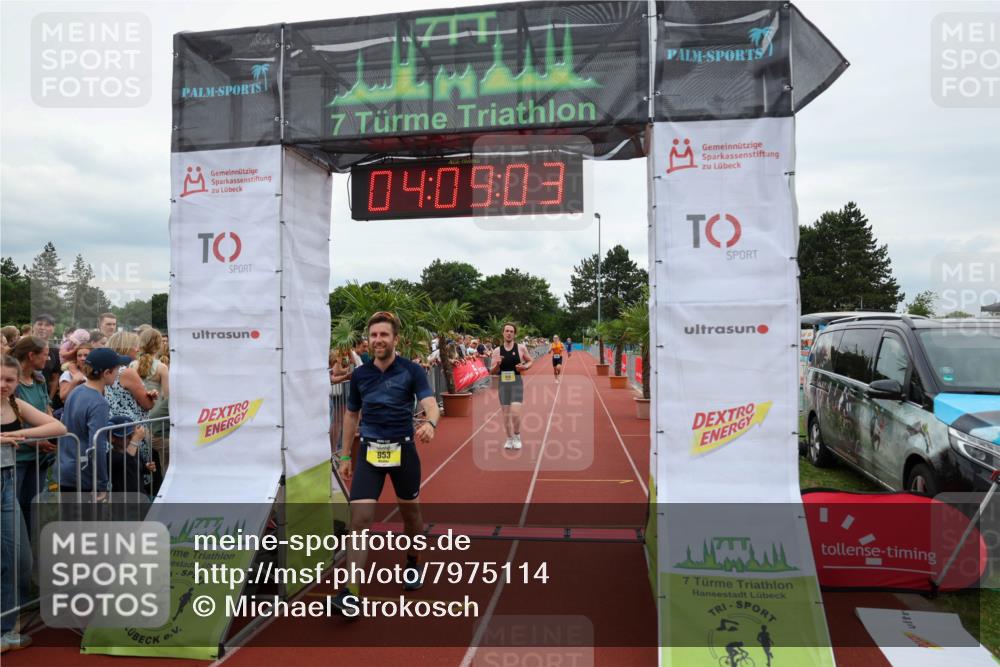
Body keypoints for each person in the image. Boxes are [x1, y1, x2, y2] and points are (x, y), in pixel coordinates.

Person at [332, 312, 440, 614]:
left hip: (403, 453)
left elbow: (430, 404)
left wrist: (430, 423)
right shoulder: (361, 375)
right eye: (374, 335)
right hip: (369, 453)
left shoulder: (412, 371)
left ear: (395, 339)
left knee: (411, 517)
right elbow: (351, 415)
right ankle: (351, 591)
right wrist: (344, 455)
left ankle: (413, 562)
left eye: (384, 335)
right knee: (360, 519)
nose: (378, 340)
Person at [2, 354, 66, 652]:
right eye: (0, 379)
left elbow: (57, 428)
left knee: (20, 559)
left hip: (7, 485)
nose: (4, 385)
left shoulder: (15, 404)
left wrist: (15, 433)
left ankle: (6, 628)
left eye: (10, 380)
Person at [58, 347, 131, 496]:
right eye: (117, 370)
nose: (118, 374)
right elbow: (97, 445)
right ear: (106, 373)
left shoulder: (76, 391)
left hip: (66, 469)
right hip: (84, 475)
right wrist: (102, 483)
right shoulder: (98, 403)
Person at [11, 337, 57, 526]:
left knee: (32, 505)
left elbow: (47, 412)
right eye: (45, 354)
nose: (47, 359)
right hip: (18, 456)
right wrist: (33, 441)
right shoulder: (10, 383)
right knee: (11, 507)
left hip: (39, 456)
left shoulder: (39, 380)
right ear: (31, 356)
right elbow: (11, 422)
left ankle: (29, 550)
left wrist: (54, 435)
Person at [489, 323, 533, 450]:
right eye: (507, 331)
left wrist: (524, 366)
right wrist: (497, 365)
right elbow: (491, 371)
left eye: (511, 331)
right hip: (503, 384)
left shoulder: (521, 348)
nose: (509, 333)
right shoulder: (497, 351)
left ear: (514, 334)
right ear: (503, 333)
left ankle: (517, 436)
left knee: (515, 413)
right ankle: (509, 438)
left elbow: (530, 361)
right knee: (506, 414)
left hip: (516, 383)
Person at [107, 417, 155, 495]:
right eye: (127, 435)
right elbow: (126, 460)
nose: (131, 438)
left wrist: (149, 467)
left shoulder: (135, 451)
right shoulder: (111, 457)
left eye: (132, 434)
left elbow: (141, 468)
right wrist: (135, 440)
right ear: (112, 438)